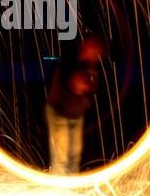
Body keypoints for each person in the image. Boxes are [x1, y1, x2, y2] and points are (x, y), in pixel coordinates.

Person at [45, 34, 107, 175]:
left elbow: (93, 88)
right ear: (87, 47)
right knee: (62, 154)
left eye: (99, 54)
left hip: (77, 115)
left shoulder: (91, 67)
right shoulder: (70, 61)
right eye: (96, 52)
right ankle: (60, 186)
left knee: (75, 153)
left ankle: (70, 185)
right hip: (59, 113)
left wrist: (87, 86)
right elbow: (75, 84)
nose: (98, 57)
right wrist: (82, 85)